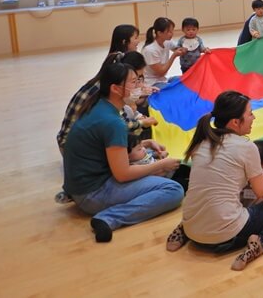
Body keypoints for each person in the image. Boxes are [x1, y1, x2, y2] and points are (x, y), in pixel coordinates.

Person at [165, 91, 263, 271]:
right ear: (235, 122)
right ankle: (261, 243)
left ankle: (183, 230)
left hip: (192, 228)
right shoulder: (246, 147)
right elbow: (261, 191)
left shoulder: (202, 141)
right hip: (226, 236)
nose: (254, 117)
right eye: (250, 113)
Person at [62, 63, 183, 242]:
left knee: (159, 167)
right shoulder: (112, 121)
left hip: (82, 185)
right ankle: (109, 217)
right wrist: (160, 164)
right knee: (173, 190)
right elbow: (122, 174)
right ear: (115, 88)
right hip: (91, 193)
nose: (140, 87)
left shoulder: (100, 105)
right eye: (134, 82)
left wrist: (146, 143)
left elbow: (109, 148)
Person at [57, 25, 142, 154]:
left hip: (72, 143)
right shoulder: (105, 92)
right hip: (74, 150)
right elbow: (121, 125)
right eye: (135, 81)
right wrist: (141, 123)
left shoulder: (109, 76)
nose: (139, 40)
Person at [142, 17, 186, 87]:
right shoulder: (150, 50)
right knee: (176, 90)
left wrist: (185, 48)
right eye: (169, 32)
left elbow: (177, 48)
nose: (172, 34)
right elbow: (161, 72)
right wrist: (173, 56)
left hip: (163, 80)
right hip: (152, 83)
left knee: (186, 79)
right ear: (159, 33)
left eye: (172, 31)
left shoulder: (167, 41)